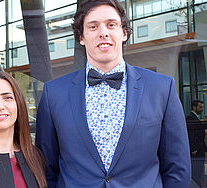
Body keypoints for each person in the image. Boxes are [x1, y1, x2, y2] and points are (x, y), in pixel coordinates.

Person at [35, 0, 191, 187]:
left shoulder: (161, 89)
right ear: (81, 38)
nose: (103, 32)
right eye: (93, 26)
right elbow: (46, 169)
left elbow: (177, 168)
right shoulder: (53, 93)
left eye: (111, 24)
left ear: (124, 33)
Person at [186, 100, 205, 188]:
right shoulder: (191, 119)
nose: (202, 109)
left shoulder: (195, 118)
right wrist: (193, 149)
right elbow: (191, 135)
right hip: (196, 152)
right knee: (196, 172)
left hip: (198, 150)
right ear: (194, 107)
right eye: (200, 107)